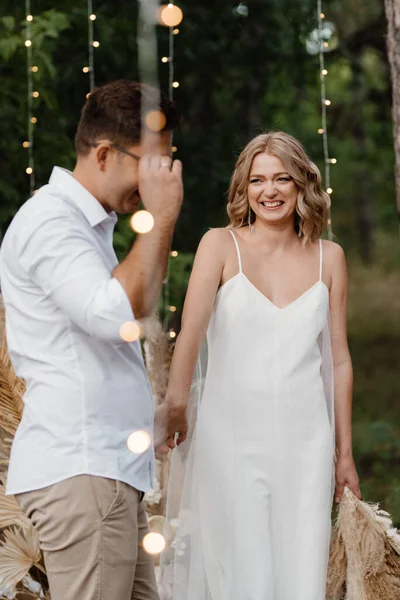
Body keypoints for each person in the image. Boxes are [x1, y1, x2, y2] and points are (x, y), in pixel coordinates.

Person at [0, 79, 183, 600]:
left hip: (105, 472)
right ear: (105, 153)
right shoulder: (52, 224)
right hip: (83, 475)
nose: (161, 180)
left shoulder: (89, 229)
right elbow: (115, 314)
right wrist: (163, 215)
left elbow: (91, 355)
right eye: (153, 165)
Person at [160, 131, 362, 600]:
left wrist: (344, 454)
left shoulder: (329, 259)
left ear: (302, 186)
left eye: (282, 179)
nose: (269, 191)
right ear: (244, 189)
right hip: (229, 438)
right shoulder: (219, 245)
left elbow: (340, 358)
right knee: (242, 574)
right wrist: (175, 403)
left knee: (300, 575)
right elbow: (189, 334)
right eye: (257, 180)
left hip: (306, 443)